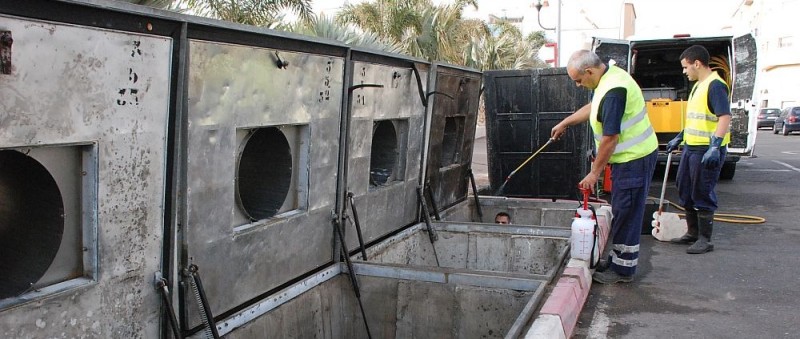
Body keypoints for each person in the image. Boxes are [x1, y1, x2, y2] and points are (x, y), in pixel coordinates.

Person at [551, 50, 658, 284]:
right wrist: (566, 122)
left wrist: (594, 173)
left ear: (589, 71)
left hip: (634, 159)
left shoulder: (613, 92)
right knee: (621, 209)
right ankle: (618, 259)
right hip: (630, 158)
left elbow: (610, 138)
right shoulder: (608, 77)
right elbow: (593, 108)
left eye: (579, 80)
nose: (579, 86)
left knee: (626, 212)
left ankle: (623, 270)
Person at [665, 45, 731, 254]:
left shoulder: (715, 85)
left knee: (702, 191)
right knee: (684, 188)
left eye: (686, 67)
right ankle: (692, 233)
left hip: (706, 150)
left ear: (697, 63)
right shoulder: (698, 86)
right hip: (691, 148)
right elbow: (697, 118)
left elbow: (724, 117)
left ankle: (705, 239)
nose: (684, 72)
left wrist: (715, 146)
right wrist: (680, 136)